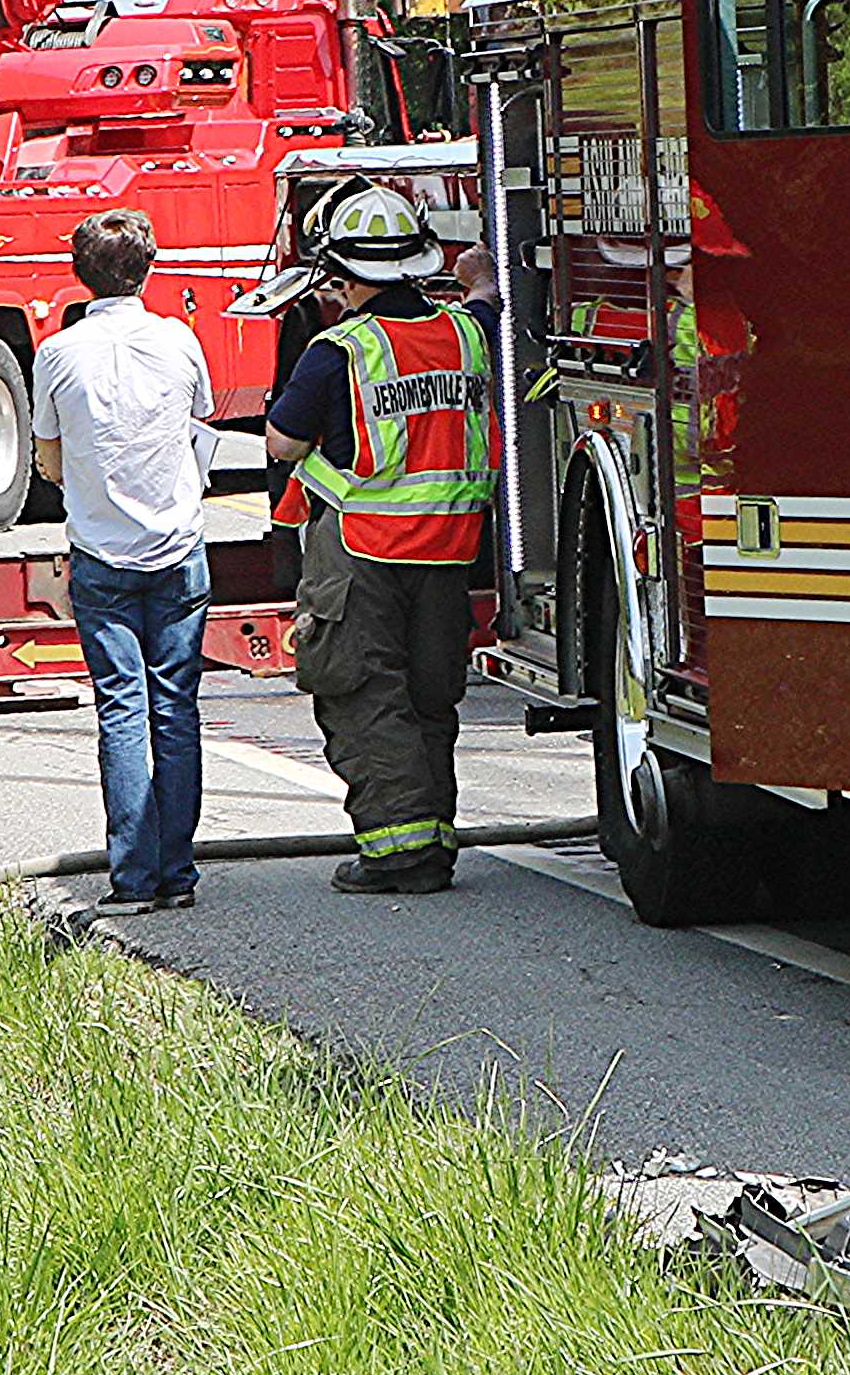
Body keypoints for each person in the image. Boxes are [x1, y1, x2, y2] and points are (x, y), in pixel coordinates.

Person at [261, 184, 498, 895]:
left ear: (340, 274)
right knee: (430, 696)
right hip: (448, 551)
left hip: (362, 553)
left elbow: (282, 440)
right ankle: (433, 837)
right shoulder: (466, 331)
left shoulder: (340, 349)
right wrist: (480, 276)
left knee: (364, 695)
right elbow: (485, 298)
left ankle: (398, 851)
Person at [27, 210, 217, 915]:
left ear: (79, 273)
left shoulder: (57, 352)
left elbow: (48, 455)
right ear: (149, 266)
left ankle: (132, 878)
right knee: (177, 708)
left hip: (101, 551)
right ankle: (179, 873)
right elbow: (198, 420)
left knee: (121, 708)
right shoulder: (178, 340)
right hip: (176, 547)